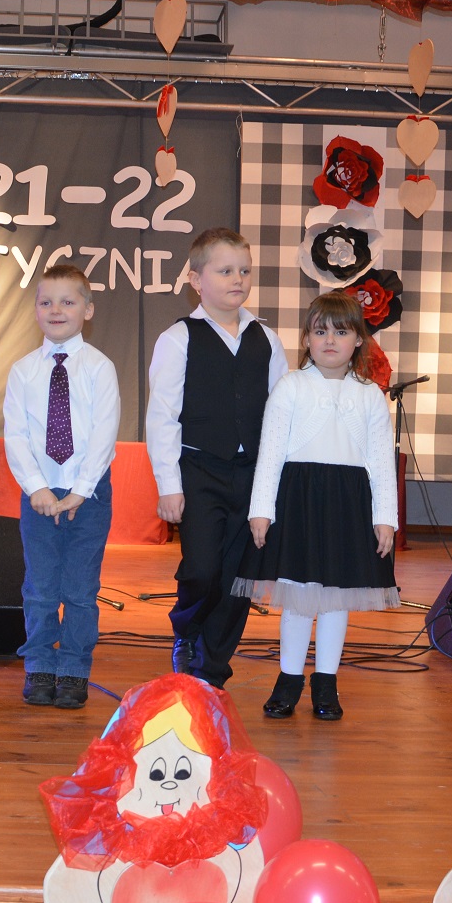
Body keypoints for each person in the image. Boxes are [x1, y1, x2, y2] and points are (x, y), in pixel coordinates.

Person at [238, 291, 399, 721]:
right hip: (299, 501)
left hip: (348, 504)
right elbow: (270, 453)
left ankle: (326, 683)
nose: (330, 340)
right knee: (299, 596)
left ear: (358, 340)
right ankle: (288, 680)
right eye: (320, 331)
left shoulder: (370, 395)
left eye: (341, 332)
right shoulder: (290, 387)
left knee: (336, 597)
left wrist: (385, 518)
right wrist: (261, 510)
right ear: (307, 338)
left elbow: (381, 461)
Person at [146, 228, 287, 690]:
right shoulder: (178, 338)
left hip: (252, 475)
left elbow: (282, 413)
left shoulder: (267, 339)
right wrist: (169, 485)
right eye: (225, 271)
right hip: (199, 470)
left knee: (238, 577)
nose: (238, 279)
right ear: (196, 280)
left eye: (244, 270)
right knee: (203, 569)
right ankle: (187, 629)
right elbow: (162, 416)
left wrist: (278, 482)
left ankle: (212, 669)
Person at [5, 264, 121, 711]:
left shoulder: (99, 368)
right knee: (38, 588)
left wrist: (81, 489)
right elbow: (16, 435)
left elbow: (104, 433)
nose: (56, 310)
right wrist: (36, 487)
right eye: (46, 302)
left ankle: (74, 668)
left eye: (67, 302)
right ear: (35, 309)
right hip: (39, 494)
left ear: (87, 310)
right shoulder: (22, 371)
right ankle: (38, 664)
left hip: (87, 495)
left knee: (79, 589)